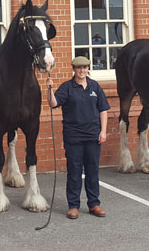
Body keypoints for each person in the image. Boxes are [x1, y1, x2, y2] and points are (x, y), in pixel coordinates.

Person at [46, 56, 110, 219]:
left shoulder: (95, 86)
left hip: (93, 135)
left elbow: (103, 110)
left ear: (88, 68)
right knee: (74, 171)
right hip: (73, 136)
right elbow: (53, 104)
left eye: (85, 67)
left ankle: (94, 203)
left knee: (92, 170)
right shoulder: (67, 87)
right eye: (78, 68)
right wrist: (49, 89)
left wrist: (103, 131)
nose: (82, 71)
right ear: (73, 69)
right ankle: (73, 205)